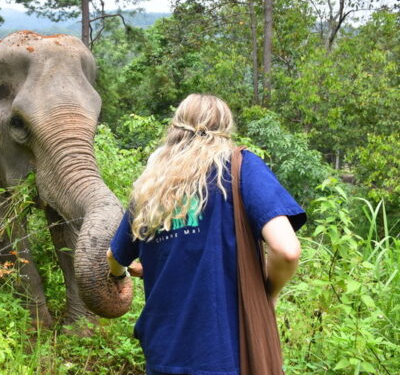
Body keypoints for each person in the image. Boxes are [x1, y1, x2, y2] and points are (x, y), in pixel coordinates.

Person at [106, 94, 306, 375]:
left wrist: (122, 274)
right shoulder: (241, 169)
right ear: (225, 130)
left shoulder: (150, 188)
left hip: (163, 351)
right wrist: (268, 293)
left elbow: (115, 257)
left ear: (175, 128)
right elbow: (287, 250)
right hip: (225, 354)